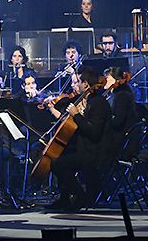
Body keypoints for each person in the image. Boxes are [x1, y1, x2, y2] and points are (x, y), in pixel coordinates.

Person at [44, 66, 109, 211]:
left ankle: (80, 196)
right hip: (82, 147)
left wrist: (76, 115)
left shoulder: (98, 103)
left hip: (94, 151)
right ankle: (64, 198)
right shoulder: (83, 100)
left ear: (85, 84)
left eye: (78, 81)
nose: (76, 85)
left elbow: (94, 132)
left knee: (58, 164)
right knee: (58, 155)